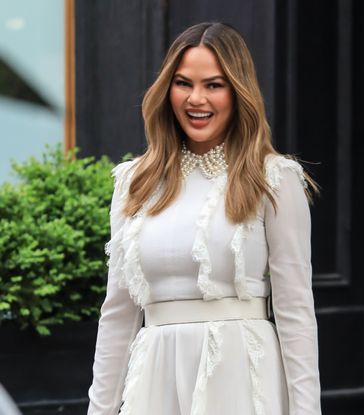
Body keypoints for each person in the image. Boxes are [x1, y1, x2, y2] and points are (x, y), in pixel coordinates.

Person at [87, 22, 322, 415]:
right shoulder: (134, 181)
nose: (196, 99)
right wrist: (99, 409)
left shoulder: (273, 178)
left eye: (214, 84)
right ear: (167, 90)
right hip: (154, 385)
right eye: (183, 83)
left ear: (238, 91)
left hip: (243, 383)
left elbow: (295, 310)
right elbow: (118, 313)